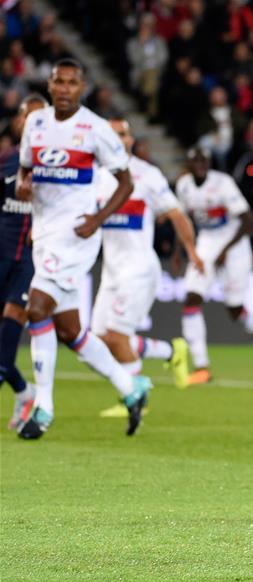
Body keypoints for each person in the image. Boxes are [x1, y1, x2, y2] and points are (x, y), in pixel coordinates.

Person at [15, 59, 151, 439]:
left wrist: (98, 219)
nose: (64, 89)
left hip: (77, 235)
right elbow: (27, 172)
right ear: (50, 83)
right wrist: (25, 188)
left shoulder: (94, 128)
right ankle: (130, 387)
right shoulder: (35, 124)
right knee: (69, 329)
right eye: (59, 82)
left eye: (72, 83)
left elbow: (125, 183)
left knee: (37, 307)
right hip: (43, 235)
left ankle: (43, 408)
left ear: (82, 87)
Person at [91, 117, 204, 397]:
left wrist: (191, 251)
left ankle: (134, 398)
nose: (121, 139)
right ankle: (171, 351)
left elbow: (177, 214)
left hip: (138, 268)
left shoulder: (147, 175)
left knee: (117, 338)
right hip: (111, 271)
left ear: (131, 140)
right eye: (114, 134)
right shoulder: (94, 175)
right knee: (96, 344)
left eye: (125, 134)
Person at [175, 146, 253, 385]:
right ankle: (202, 367)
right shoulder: (183, 186)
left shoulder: (222, 183)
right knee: (191, 298)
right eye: (196, 161)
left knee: (234, 309)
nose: (201, 165)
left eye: (204, 160)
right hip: (206, 243)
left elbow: (248, 221)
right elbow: (182, 220)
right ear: (189, 164)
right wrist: (180, 251)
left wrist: (225, 250)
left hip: (235, 245)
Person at [1, 93, 46, 429]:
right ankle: (23, 389)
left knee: (13, 319)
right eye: (25, 116)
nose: (30, 123)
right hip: (2, 257)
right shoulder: (4, 163)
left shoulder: (58, 169)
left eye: (37, 117)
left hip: (31, 262)